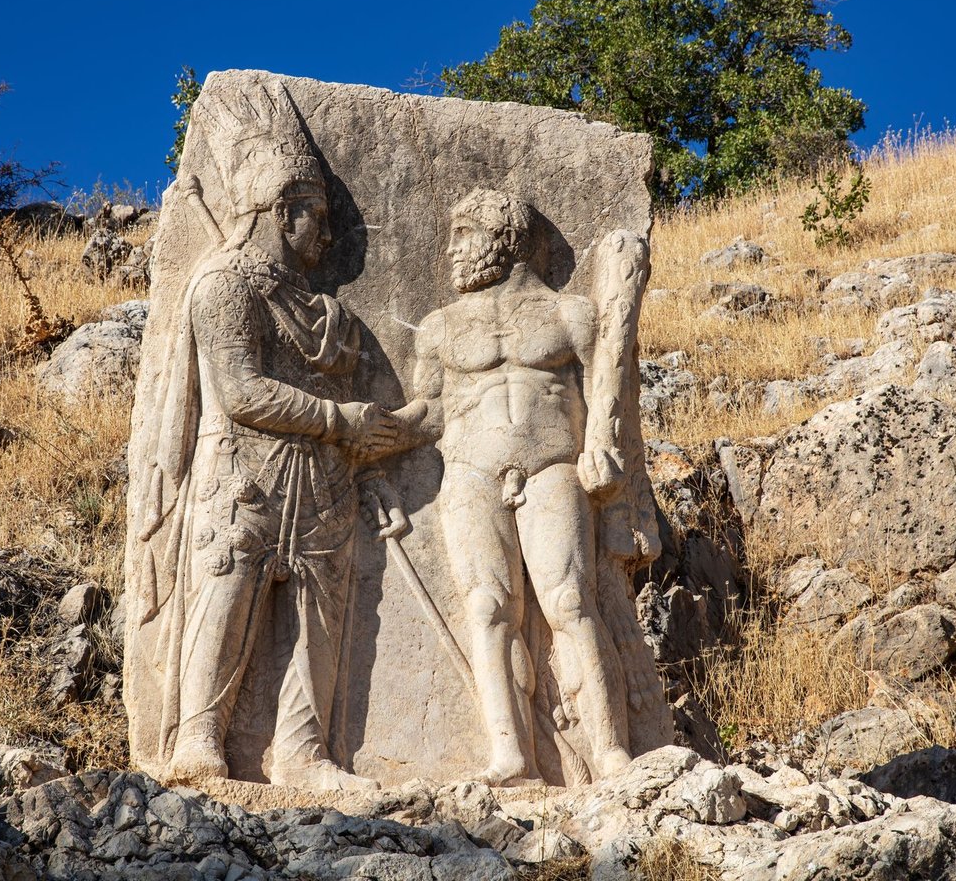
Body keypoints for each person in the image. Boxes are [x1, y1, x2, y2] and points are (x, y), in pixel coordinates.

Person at [128, 85, 400, 791]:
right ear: (283, 211)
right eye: (319, 218)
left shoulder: (328, 315)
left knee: (320, 619)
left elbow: (354, 410)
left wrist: (369, 466)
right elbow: (242, 391)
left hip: (322, 486)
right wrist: (338, 421)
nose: (328, 237)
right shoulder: (224, 284)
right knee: (223, 603)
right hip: (240, 478)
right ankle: (199, 741)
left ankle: (305, 754)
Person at [408, 188, 647, 785]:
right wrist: (361, 433)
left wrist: (604, 446)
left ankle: (609, 749)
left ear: (505, 238)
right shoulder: (438, 328)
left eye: (463, 235)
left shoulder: (571, 315)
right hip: (470, 472)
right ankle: (510, 755)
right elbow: (429, 413)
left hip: (552, 467)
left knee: (570, 602)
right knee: (488, 608)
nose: (452, 251)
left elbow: (610, 391)